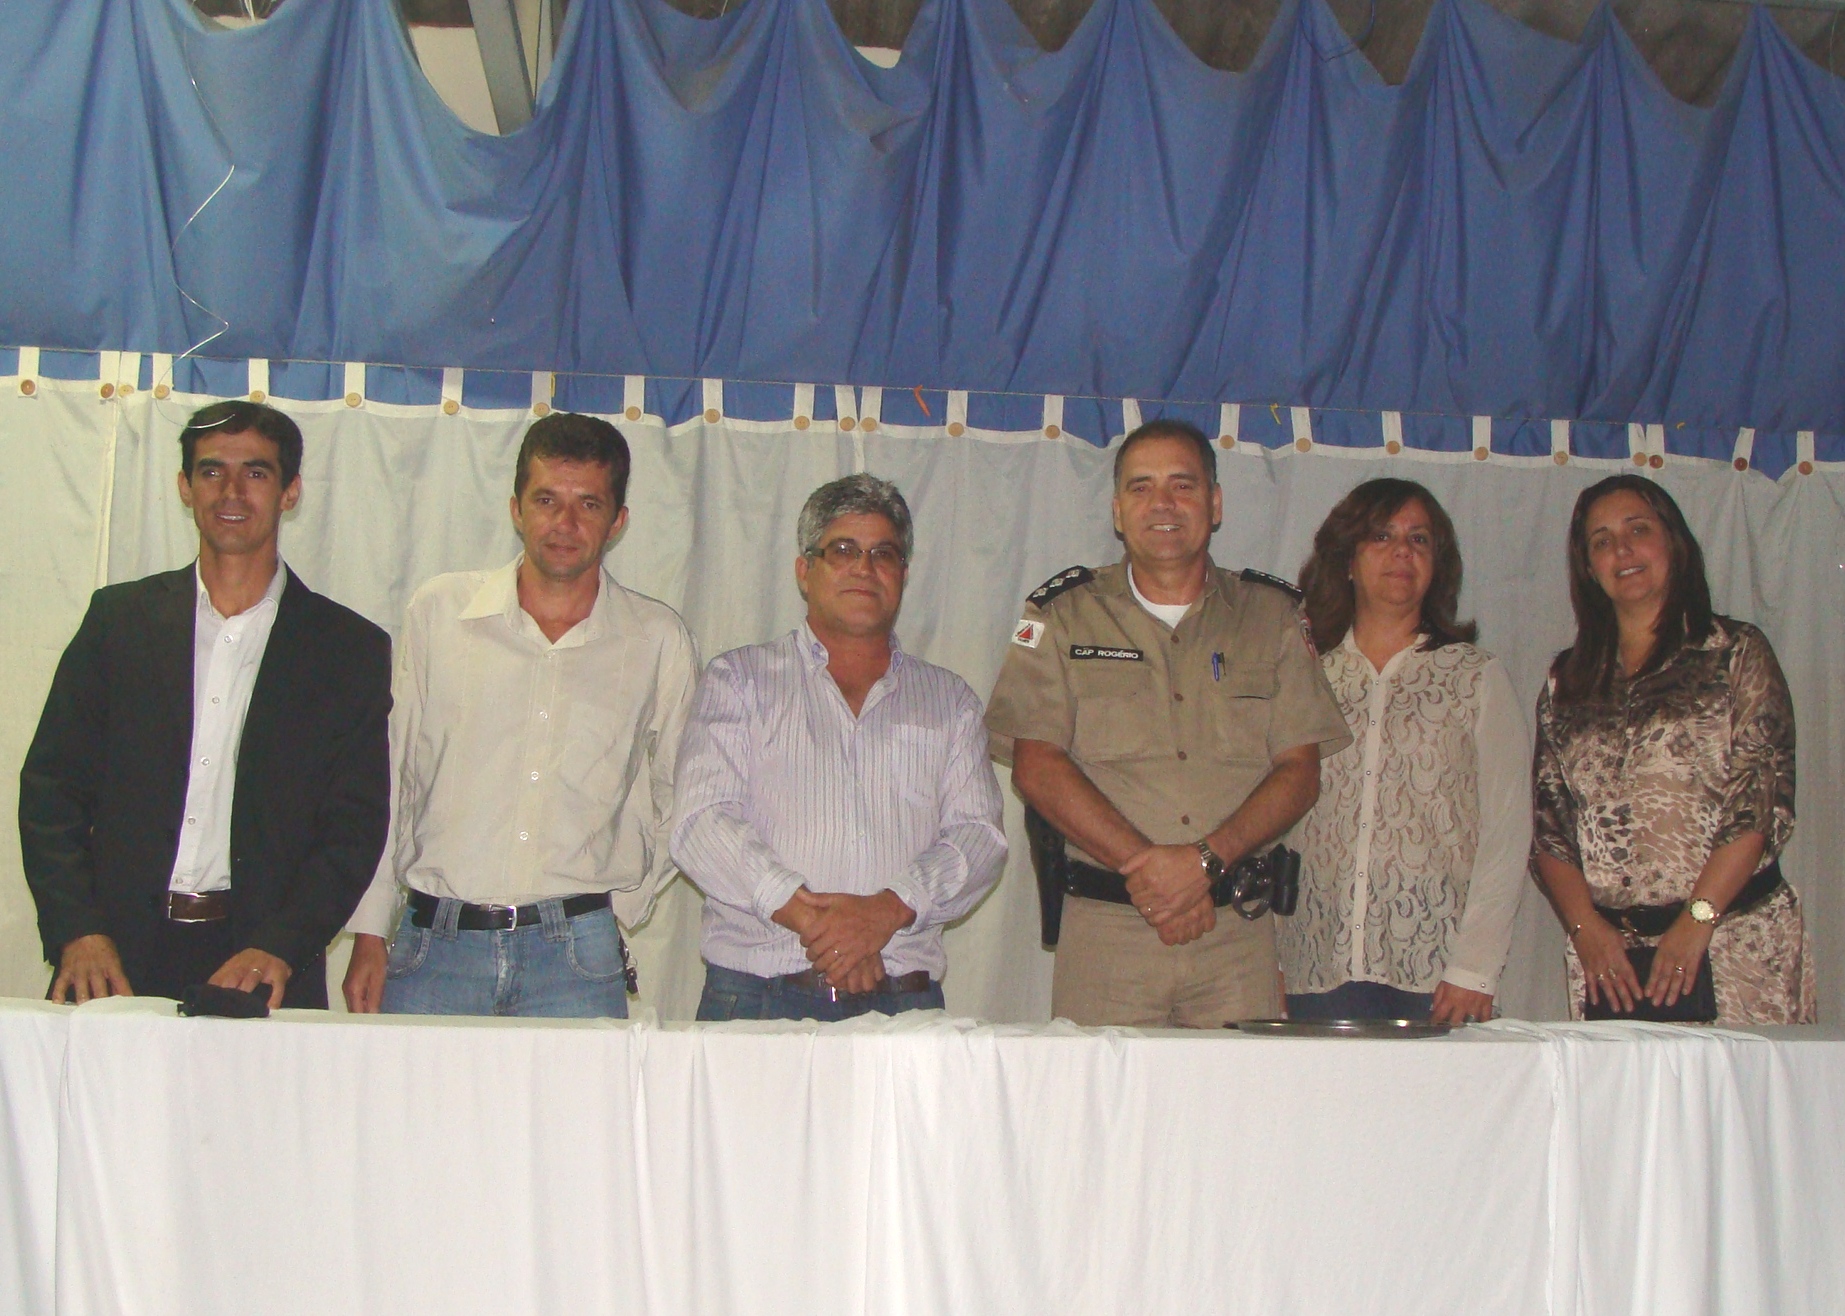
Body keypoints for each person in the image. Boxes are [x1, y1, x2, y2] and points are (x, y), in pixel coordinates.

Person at [19, 401, 391, 1009]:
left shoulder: (346, 649)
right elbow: (50, 791)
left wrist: (282, 945)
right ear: (185, 487)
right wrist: (77, 930)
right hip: (112, 957)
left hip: (262, 965)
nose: (232, 491)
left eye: (256, 472)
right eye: (212, 470)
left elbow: (353, 829)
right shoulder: (119, 622)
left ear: (290, 491)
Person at [985, 419, 1350, 1027]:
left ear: (1215, 503)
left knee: (1240, 1091)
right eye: (1141, 487)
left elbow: (1299, 772)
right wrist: (1154, 873)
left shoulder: (1274, 617)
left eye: (1183, 485)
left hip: (1236, 935)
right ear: (1117, 511)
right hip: (1108, 933)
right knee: (1101, 1093)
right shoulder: (1059, 616)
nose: (1163, 503)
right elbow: (1037, 766)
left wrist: (1203, 864)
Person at [342, 413, 698, 1018]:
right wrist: (371, 930)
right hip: (434, 947)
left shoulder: (656, 638)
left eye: (588, 504)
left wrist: (618, 909)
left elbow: (682, 791)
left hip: (578, 960)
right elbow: (391, 775)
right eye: (546, 500)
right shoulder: (440, 613)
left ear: (618, 521)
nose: (565, 523)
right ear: (516, 509)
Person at [671, 473, 1006, 1021]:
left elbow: (979, 838)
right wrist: (820, 924)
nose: (864, 568)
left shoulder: (950, 701)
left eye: (883, 554)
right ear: (805, 571)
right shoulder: (740, 680)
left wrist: (888, 913)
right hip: (756, 1000)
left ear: (902, 575)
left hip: (904, 1002)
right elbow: (701, 823)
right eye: (843, 550)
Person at [1532, 475, 1813, 1024]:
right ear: (1588, 567)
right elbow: (1550, 830)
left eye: (1638, 530)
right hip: (1612, 963)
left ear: (1673, 542)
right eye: (1602, 540)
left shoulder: (1734, 653)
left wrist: (1697, 920)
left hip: (1733, 943)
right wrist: (1586, 931)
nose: (1622, 550)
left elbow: (1756, 806)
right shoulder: (1566, 681)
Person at [1278, 479, 1530, 1025]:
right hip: (1314, 964)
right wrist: (1268, 959)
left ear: (1438, 563)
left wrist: (1476, 966)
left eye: (1419, 539)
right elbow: (1274, 820)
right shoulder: (1305, 673)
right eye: (1381, 536)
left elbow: (1509, 830)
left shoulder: (1474, 677)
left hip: (1437, 974)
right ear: (1347, 559)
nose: (1401, 552)